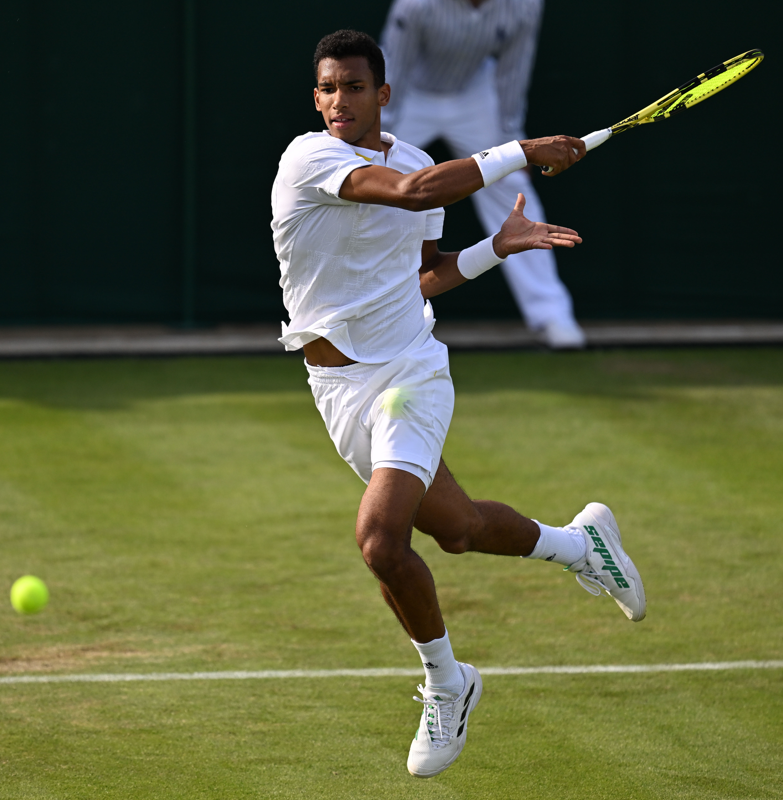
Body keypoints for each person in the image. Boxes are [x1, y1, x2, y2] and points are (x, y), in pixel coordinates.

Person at [271, 30, 645, 778]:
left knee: (380, 540)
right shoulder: (308, 158)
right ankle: (581, 545)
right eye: (326, 88)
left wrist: (493, 250)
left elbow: (424, 275)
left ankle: (449, 682)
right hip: (337, 390)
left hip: (409, 374)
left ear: (383, 94)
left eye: (352, 87)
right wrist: (521, 151)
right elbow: (413, 195)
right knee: (460, 529)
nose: (337, 101)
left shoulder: (417, 164)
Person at [380, 0, 587, 349]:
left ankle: (552, 314)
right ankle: (359, 311)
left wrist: (514, 142)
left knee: (512, 186)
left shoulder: (524, 6)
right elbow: (393, 66)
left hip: (475, 98)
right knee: (378, 187)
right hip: (409, 96)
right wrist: (379, 137)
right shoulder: (416, 6)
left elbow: (513, 69)